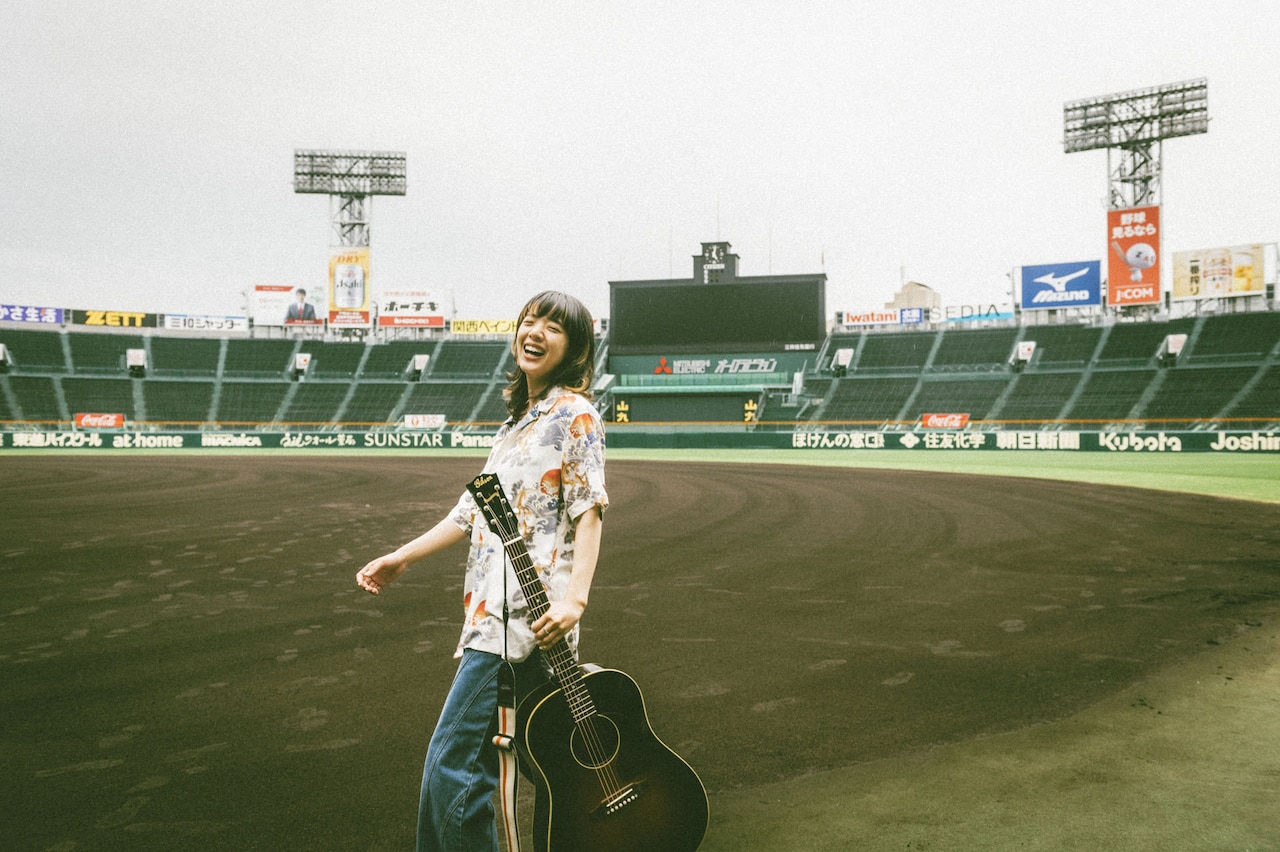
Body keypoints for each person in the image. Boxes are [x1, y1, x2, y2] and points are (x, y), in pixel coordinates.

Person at [356, 290, 607, 852]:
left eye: (554, 327)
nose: (535, 331)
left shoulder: (574, 414)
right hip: (489, 618)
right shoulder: (512, 427)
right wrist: (402, 556)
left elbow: (589, 511)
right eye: (530, 320)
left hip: (525, 624)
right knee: (510, 770)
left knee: (454, 768)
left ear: (574, 350)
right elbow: (468, 513)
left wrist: (575, 602)